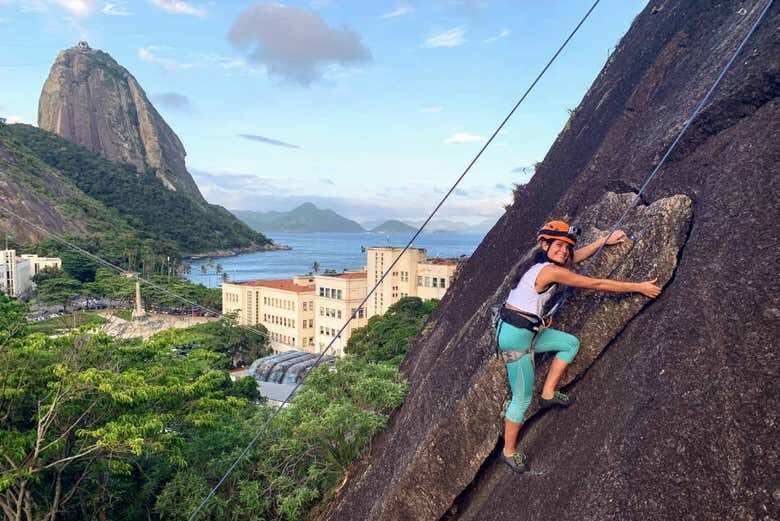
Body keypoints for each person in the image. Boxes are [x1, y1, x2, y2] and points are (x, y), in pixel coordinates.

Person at [497, 220, 661, 474]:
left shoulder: (542, 264)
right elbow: (595, 284)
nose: (563, 250)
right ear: (545, 244)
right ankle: (508, 453)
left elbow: (572, 261)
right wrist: (638, 287)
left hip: (523, 330)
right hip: (516, 337)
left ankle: (549, 394)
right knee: (521, 399)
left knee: (569, 343)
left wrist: (603, 241)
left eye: (567, 247)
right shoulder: (550, 271)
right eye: (558, 245)